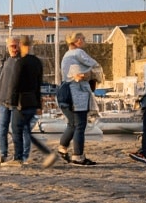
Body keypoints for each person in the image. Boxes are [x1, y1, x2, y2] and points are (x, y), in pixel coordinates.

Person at [15, 35, 59, 168]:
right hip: (33, 100)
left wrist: (14, 102)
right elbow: (38, 85)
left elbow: (16, 85)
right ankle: (26, 156)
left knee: (22, 130)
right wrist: (39, 105)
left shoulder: (20, 63)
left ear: (21, 46)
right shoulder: (37, 62)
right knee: (26, 130)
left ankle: (23, 157)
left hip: (22, 101)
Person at [57, 32, 100, 166]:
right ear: (78, 41)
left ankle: (62, 147)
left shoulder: (66, 56)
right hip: (78, 92)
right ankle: (78, 155)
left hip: (65, 91)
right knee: (80, 125)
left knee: (72, 123)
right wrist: (91, 74)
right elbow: (93, 65)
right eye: (83, 38)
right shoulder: (78, 53)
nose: (85, 41)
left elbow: (69, 74)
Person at [0, 37, 23, 165]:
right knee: (2, 128)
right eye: (11, 46)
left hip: (16, 102)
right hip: (3, 100)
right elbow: (1, 81)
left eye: (15, 46)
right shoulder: (6, 62)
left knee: (16, 129)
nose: (14, 48)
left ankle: (18, 156)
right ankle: (3, 154)